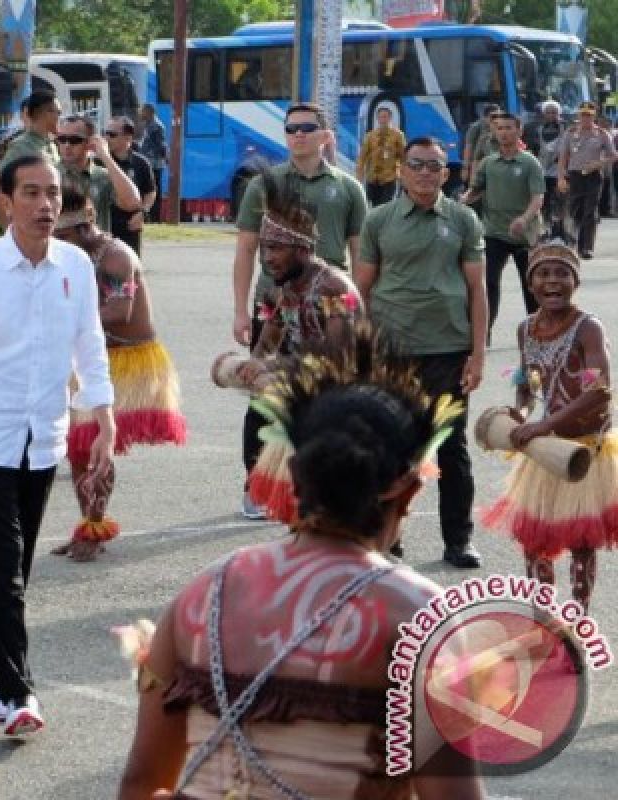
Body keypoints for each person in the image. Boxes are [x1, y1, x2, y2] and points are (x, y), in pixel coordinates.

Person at [117, 327, 484, 800]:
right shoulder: (419, 616)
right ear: (407, 487)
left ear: (293, 474)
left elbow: (142, 782)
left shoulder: (204, 592)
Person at [0, 154, 116, 736]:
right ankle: (17, 693)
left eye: (53, 193)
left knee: (14, 571)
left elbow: (91, 342)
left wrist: (104, 416)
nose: (44, 204)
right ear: (7, 200)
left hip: (44, 438)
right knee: (5, 572)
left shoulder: (76, 267)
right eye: (31, 192)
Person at [356, 137, 488, 569]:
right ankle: (387, 540)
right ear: (401, 170)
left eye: (434, 166)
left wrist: (478, 354)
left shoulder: (464, 220)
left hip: (448, 350)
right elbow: (362, 288)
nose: (426, 173)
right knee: (389, 448)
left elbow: (476, 290)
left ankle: (459, 541)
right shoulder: (379, 220)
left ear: (445, 174)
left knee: (451, 448)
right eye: (418, 165)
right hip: (390, 351)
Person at [232, 102, 367, 519]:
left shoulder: (347, 188)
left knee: (327, 398)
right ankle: (258, 483)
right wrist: (241, 311)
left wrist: (359, 314)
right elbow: (246, 249)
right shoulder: (264, 185)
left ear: (326, 135)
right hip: (274, 302)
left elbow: (359, 256)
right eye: (291, 129)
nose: (299, 135)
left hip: (329, 307)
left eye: (308, 128)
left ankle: (317, 485)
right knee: (263, 391)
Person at [52, 188, 186, 561]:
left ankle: (93, 530)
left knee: (94, 445)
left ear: (86, 225)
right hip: (95, 357)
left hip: (129, 361)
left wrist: (57, 321)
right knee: (78, 450)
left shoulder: (115, 257)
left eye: (62, 236)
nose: (56, 243)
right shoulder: (70, 256)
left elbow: (119, 311)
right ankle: (89, 525)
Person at [482, 244, 615, 613]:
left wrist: (544, 424)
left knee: (580, 541)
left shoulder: (588, 328)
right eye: (543, 273)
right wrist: (520, 412)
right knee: (534, 540)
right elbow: (528, 384)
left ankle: (578, 617)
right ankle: (543, 618)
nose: (552, 281)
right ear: (530, 282)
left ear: (575, 281)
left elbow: (598, 390)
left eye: (562, 274)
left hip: (584, 450)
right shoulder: (527, 328)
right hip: (546, 447)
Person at [461, 111, 542, 338]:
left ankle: (535, 332)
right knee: (489, 284)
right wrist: (464, 199)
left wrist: (524, 219)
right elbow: (477, 190)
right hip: (494, 232)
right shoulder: (488, 163)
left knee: (531, 285)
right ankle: (483, 332)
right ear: (494, 132)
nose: (504, 132)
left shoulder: (529, 162)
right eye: (500, 128)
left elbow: (538, 198)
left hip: (525, 235)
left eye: (509, 128)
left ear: (519, 131)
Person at [0, 90, 62, 229]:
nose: (59, 117)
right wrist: (8, 227)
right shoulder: (23, 145)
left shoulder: (51, 145)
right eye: (57, 112)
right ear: (45, 113)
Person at [55, 114, 141, 234]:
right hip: (58, 250)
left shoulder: (102, 176)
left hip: (95, 249)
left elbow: (132, 202)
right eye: (62, 139)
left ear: (90, 142)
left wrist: (106, 156)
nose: (67, 145)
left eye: (75, 140)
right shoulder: (49, 175)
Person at [557, 101, 616, 259]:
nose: (586, 118)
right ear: (578, 115)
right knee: (575, 210)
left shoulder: (602, 134)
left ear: (594, 116)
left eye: (589, 115)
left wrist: (599, 163)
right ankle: (574, 241)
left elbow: (613, 155)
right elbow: (563, 158)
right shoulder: (570, 133)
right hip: (575, 176)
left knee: (590, 211)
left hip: (593, 176)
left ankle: (586, 247)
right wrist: (561, 178)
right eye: (583, 115)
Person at [104, 116, 157, 254]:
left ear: (128, 137)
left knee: (129, 268)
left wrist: (143, 212)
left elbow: (150, 191)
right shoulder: (99, 161)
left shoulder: (141, 163)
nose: (107, 138)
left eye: (112, 134)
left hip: (129, 227)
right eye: (105, 133)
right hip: (103, 225)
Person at [523, 100, 567, 237]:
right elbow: (529, 147)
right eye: (548, 112)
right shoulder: (534, 128)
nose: (551, 115)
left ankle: (560, 230)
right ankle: (544, 229)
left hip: (559, 170)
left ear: (559, 113)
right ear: (543, 114)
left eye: (554, 112)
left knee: (560, 201)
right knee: (543, 201)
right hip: (540, 169)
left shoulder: (566, 127)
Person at [356, 106, 406, 207]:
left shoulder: (398, 135)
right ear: (377, 119)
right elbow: (362, 158)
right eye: (380, 117)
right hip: (372, 179)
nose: (383, 120)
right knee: (373, 207)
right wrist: (359, 178)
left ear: (390, 118)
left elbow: (403, 157)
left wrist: (403, 177)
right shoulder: (370, 136)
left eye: (385, 117)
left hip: (389, 179)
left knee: (386, 207)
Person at [136, 103, 167, 222]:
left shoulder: (157, 126)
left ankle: (155, 217)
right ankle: (149, 216)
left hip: (154, 163)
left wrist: (164, 157)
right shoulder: (148, 125)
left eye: (142, 111)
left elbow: (161, 145)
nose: (140, 113)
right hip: (148, 162)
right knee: (146, 189)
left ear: (149, 112)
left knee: (154, 190)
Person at [460, 103, 499, 191]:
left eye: (498, 116)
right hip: (478, 163)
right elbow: (468, 147)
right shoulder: (476, 127)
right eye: (493, 116)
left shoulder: (497, 128)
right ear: (485, 117)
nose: (496, 119)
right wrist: (466, 168)